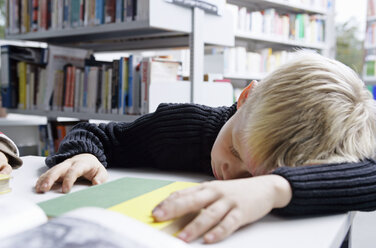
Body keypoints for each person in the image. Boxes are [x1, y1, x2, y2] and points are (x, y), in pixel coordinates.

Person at [35, 52, 376, 244]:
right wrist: (83, 154)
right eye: (237, 151)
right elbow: (98, 134)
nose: (231, 176)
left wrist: (274, 187)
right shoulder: (179, 126)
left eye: (255, 175)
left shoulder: (325, 153)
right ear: (245, 98)